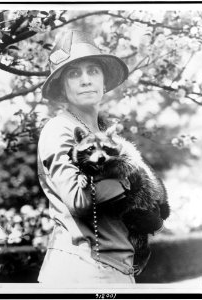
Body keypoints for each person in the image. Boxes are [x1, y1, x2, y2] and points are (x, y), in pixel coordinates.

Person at [37, 29, 152, 285]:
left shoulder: (102, 132)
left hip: (117, 269)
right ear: (62, 86)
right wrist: (128, 181)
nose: (86, 80)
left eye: (93, 71)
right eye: (74, 74)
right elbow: (78, 199)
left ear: (103, 81)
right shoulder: (61, 128)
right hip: (82, 268)